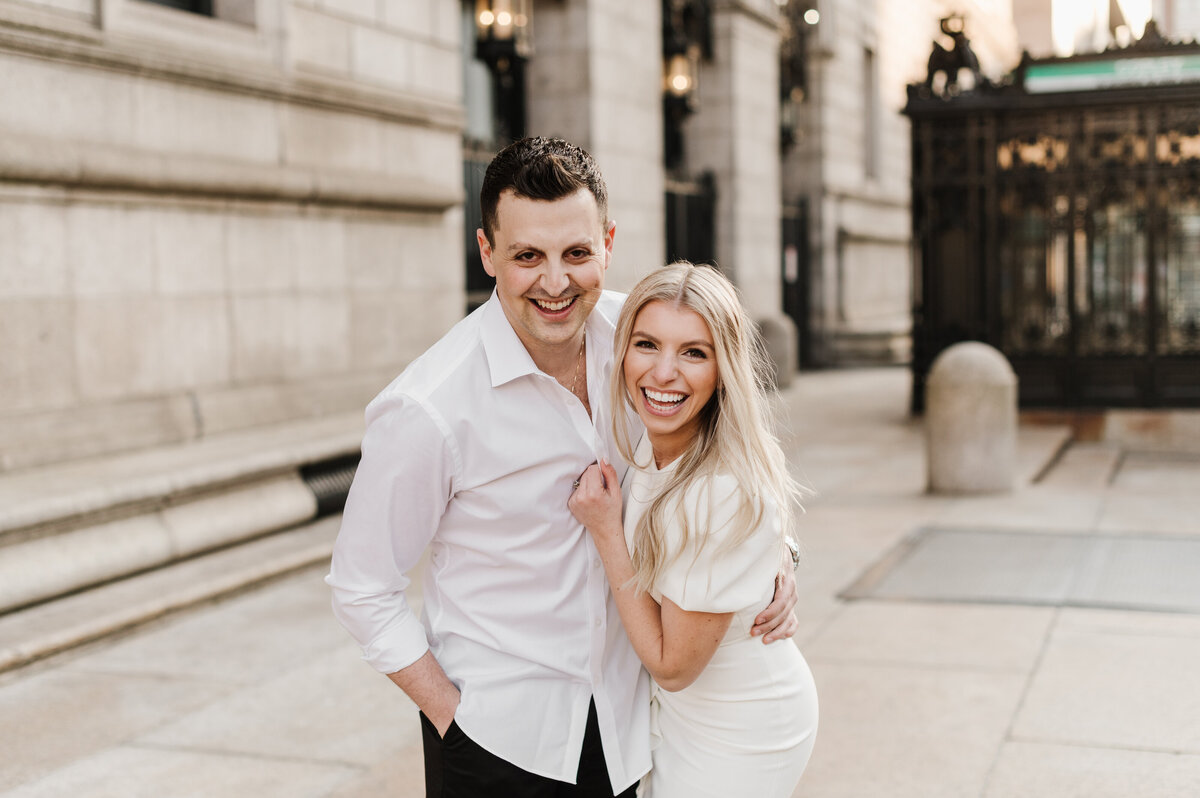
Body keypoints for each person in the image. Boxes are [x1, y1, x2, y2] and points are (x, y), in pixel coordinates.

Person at [325, 137, 800, 797]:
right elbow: (361, 585)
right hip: (499, 742)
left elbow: (724, 445)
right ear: (488, 252)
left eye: (576, 253)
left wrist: (772, 554)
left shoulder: (643, 343)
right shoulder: (429, 408)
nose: (555, 282)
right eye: (527, 256)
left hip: (631, 731)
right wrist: (450, 716)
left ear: (607, 242)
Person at [568, 262, 819, 798]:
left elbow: (672, 666)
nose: (663, 373)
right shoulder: (653, 436)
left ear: (723, 369)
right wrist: (779, 556)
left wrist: (608, 535)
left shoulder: (720, 486)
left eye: (693, 353)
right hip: (681, 716)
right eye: (647, 344)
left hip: (741, 725)